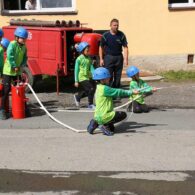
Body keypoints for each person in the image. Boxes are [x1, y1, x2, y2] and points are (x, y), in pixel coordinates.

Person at [87, 67, 139, 136]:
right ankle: (104, 126)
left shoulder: (99, 87)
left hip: (97, 116)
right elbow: (118, 92)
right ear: (102, 79)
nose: (109, 78)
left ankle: (94, 123)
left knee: (112, 129)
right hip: (105, 116)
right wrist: (131, 92)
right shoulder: (105, 89)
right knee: (123, 115)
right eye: (107, 77)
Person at [0, 27, 28, 120]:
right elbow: (10, 55)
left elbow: (25, 57)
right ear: (16, 37)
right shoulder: (12, 44)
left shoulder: (24, 47)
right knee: (6, 90)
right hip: (8, 71)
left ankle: (24, 108)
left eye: (25, 38)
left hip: (17, 71)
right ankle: (2, 110)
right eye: (22, 38)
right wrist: (14, 65)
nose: (24, 40)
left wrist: (22, 65)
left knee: (20, 90)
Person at [99, 18, 128, 89]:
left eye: (117, 25)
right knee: (109, 76)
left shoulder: (121, 35)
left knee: (118, 76)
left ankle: (117, 92)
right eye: (114, 25)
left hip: (119, 57)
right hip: (109, 58)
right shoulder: (105, 35)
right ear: (110, 25)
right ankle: (109, 92)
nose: (116, 27)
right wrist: (101, 59)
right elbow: (100, 47)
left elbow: (125, 47)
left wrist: (125, 59)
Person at [74, 42, 96, 109]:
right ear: (82, 50)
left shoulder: (89, 58)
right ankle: (90, 104)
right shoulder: (79, 59)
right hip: (82, 77)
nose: (88, 51)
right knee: (91, 88)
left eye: (88, 50)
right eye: (87, 50)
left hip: (88, 77)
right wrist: (76, 81)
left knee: (92, 90)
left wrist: (95, 75)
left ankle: (78, 97)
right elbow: (76, 70)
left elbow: (92, 68)